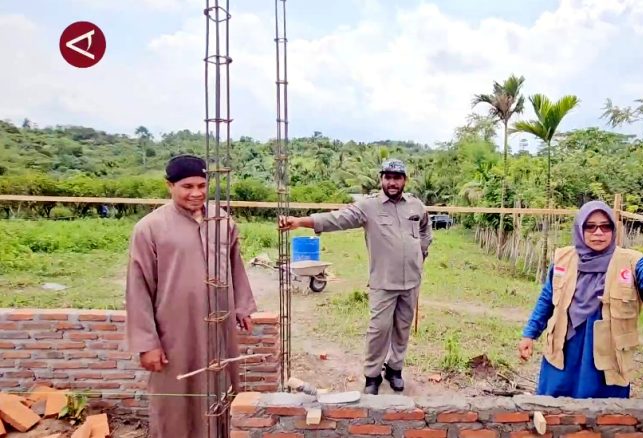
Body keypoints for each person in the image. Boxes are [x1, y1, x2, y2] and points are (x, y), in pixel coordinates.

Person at [517, 200, 643, 399]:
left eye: (606, 227)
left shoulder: (630, 262)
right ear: (580, 228)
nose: (599, 233)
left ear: (614, 229)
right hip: (564, 348)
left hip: (606, 355)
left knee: (602, 415)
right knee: (553, 407)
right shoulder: (564, 258)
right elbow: (547, 300)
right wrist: (529, 334)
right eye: (591, 226)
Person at [125, 155, 257, 437]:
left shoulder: (223, 222)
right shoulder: (150, 228)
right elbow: (138, 288)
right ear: (169, 186)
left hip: (219, 327)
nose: (196, 193)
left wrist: (242, 307)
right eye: (187, 186)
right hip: (174, 331)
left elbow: (236, 266)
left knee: (221, 387)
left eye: (201, 185)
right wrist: (147, 343)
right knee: (174, 397)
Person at [278, 159, 432, 395]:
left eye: (397, 177)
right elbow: (337, 219)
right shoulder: (368, 207)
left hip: (411, 280)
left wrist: (421, 251)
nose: (392, 182)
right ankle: (372, 376)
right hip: (383, 282)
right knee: (379, 330)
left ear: (404, 180)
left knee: (402, 328)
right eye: (387, 177)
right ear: (381, 179)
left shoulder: (415, 205)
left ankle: (395, 369)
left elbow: (425, 228)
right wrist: (301, 222)